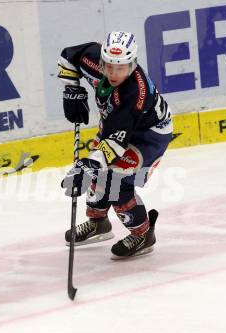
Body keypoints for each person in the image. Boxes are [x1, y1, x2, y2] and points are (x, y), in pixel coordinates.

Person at [58, 31, 172, 259]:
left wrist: (87, 165)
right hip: (114, 125)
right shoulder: (94, 58)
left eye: (120, 68)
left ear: (132, 64)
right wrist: (72, 89)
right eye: (109, 65)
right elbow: (67, 58)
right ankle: (99, 223)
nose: (113, 73)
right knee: (98, 176)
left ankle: (142, 234)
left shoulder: (134, 92)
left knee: (115, 182)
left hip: (147, 135)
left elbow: (114, 145)